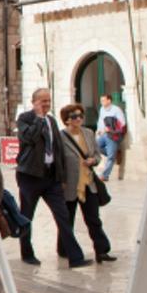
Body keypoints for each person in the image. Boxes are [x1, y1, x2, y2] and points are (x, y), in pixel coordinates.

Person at [15, 89, 88, 268]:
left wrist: (61, 177)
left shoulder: (52, 121)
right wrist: (39, 118)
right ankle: (27, 253)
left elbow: (58, 150)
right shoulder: (25, 118)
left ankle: (75, 257)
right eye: (42, 101)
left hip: (51, 177)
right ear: (34, 102)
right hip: (30, 176)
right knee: (27, 216)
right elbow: (28, 138)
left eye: (48, 101)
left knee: (63, 215)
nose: (46, 104)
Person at [58, 104, 115, 263]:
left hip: (89, 183)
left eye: (80, 116)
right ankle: (64, 249)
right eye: (75, 116)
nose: (79, 119)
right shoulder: (60, 137)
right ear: (67, 120)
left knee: (93, 219)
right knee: (67, 219)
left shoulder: (89, 133)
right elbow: (58, 161)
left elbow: (97, 154)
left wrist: (94, 161)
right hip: (70, 185)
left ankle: (102, 251)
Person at [95, 94, 127, 181]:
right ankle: (114, 153)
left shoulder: (116, 110)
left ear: (109, 101)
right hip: (103, 134)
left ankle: (105, 176)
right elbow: (100, 121)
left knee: (110, 158)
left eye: (103, 100)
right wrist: (99, 130)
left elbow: (122, 124)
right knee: (95, 147)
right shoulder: (102, 109)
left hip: (113, 136)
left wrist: (109, 129)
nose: (102, 102)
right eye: (101, 100)